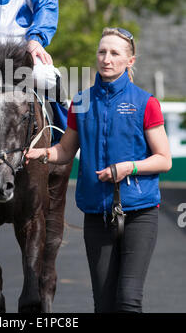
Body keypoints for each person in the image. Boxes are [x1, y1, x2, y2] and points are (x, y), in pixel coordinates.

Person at [25, 27, 172, 313]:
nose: (106, 58)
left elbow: (164, 159)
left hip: (139, 213)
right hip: (96, 214)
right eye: (102, 52)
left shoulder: (146, 103)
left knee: (128, 300)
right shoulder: (81, 100)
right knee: (103, 305)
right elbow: (66, 150)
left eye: (115, 53)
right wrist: (42, 153)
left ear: (130, 61)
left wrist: (127, 168)